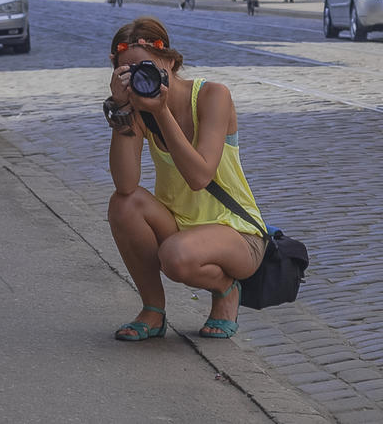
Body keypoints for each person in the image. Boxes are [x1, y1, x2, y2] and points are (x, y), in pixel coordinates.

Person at [105, 17, 266, 341]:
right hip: (178, 226)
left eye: (146, 67)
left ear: (171, 61)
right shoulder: (136, 108)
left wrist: (162, 112)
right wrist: (123, 110)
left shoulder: (212, 95)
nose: (140, 78)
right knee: (123, 204)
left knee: (176, 256)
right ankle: (152, 310)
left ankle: (225, 288)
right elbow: (125, 183)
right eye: (128, 71)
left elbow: (199, 176)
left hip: (235, 232)